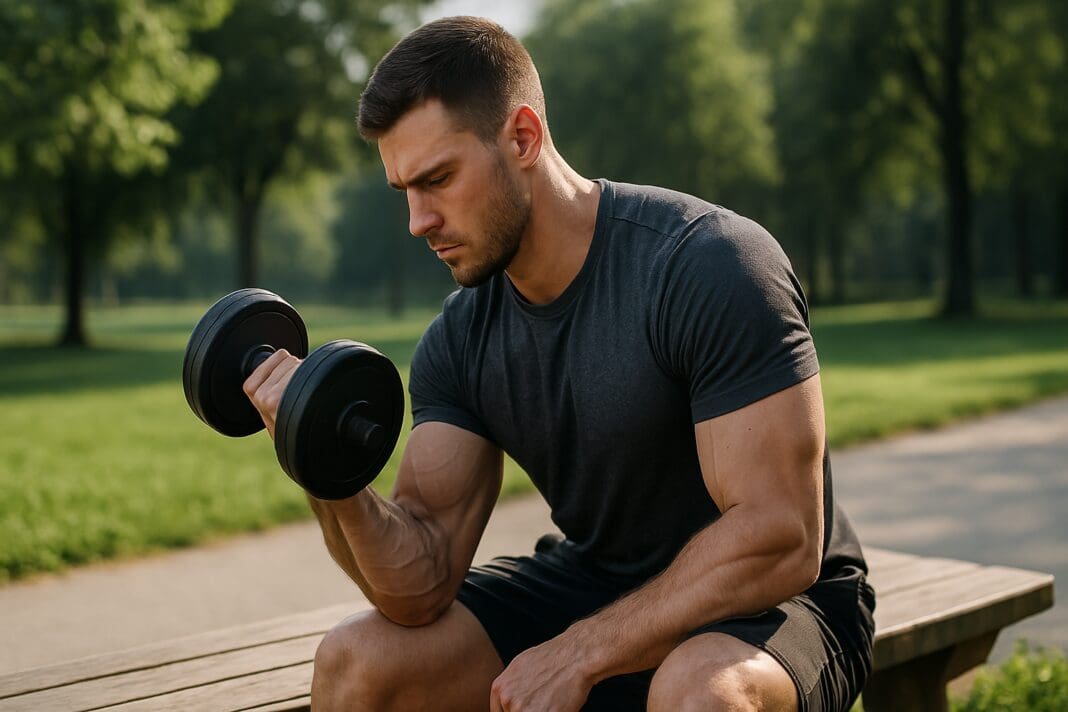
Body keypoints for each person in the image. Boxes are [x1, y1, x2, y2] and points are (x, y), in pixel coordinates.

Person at [242, 15, 874, 712]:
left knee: (700, 696)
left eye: (439, 180)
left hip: (781, 603)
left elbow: (781, 537)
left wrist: (580, 652)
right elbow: (419, 583)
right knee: (359, 661)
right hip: (601, 581)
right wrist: (324, 461)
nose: (418, 221)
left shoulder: (710, 266)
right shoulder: (460, 339)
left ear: (522, 137)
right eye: (406, 192)